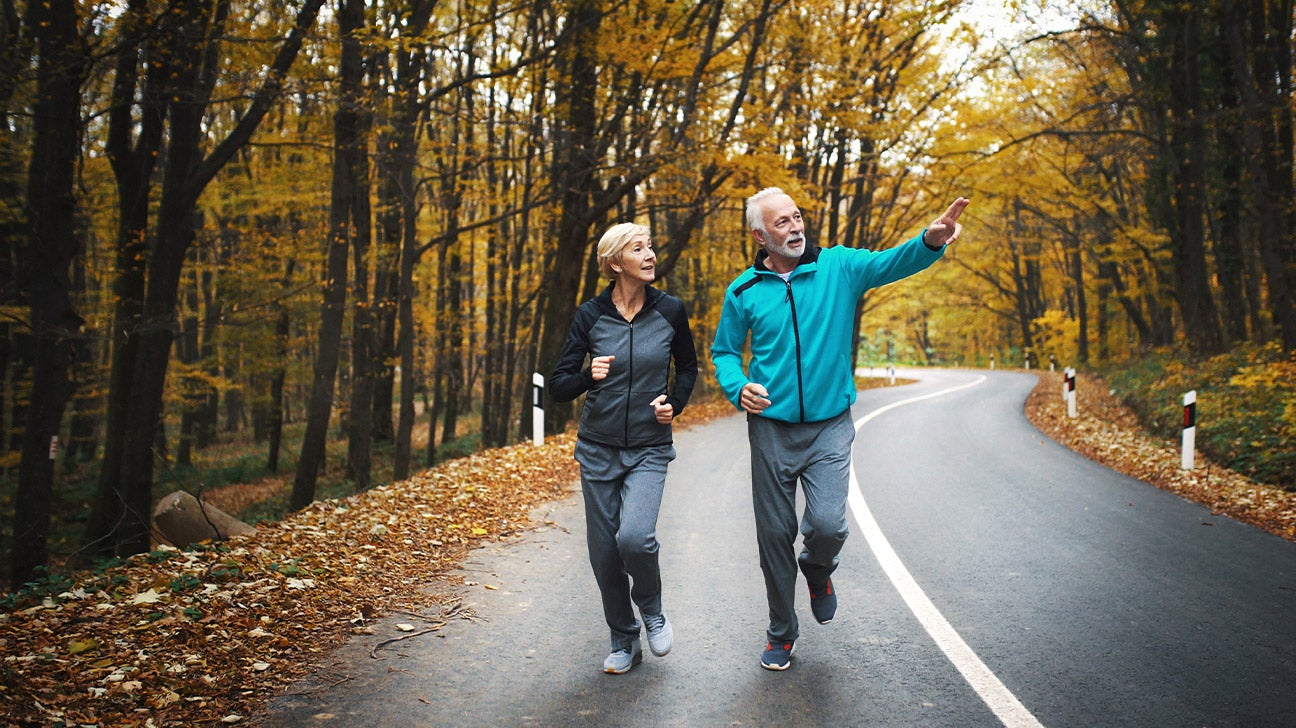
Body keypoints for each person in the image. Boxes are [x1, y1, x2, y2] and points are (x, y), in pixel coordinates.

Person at [711, 187, 969, 671]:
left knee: (828, 525)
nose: (795, 227)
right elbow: (724, 351)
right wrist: (737, 385)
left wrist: (930, 241)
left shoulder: (839, 267)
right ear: (760, 235)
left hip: (830, 424)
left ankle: (818, 567)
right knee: (774, 535)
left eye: (797, 217)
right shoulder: (743, 290)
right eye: (782, 223)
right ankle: (781, 633)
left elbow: (894, 262)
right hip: (770, 428)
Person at [551, 222, 698, 674]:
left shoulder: (670, 310)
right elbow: (558, 385)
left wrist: (672, 403)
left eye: (651, 246)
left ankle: (651, 610)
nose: (651, 255)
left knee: (634, 537)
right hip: (597, 448)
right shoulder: (590, 315)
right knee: (603, 552)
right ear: (616, 263)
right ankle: (623, 639)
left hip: (650, 447)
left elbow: (689, 369)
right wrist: (586, 376)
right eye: (639, 249)